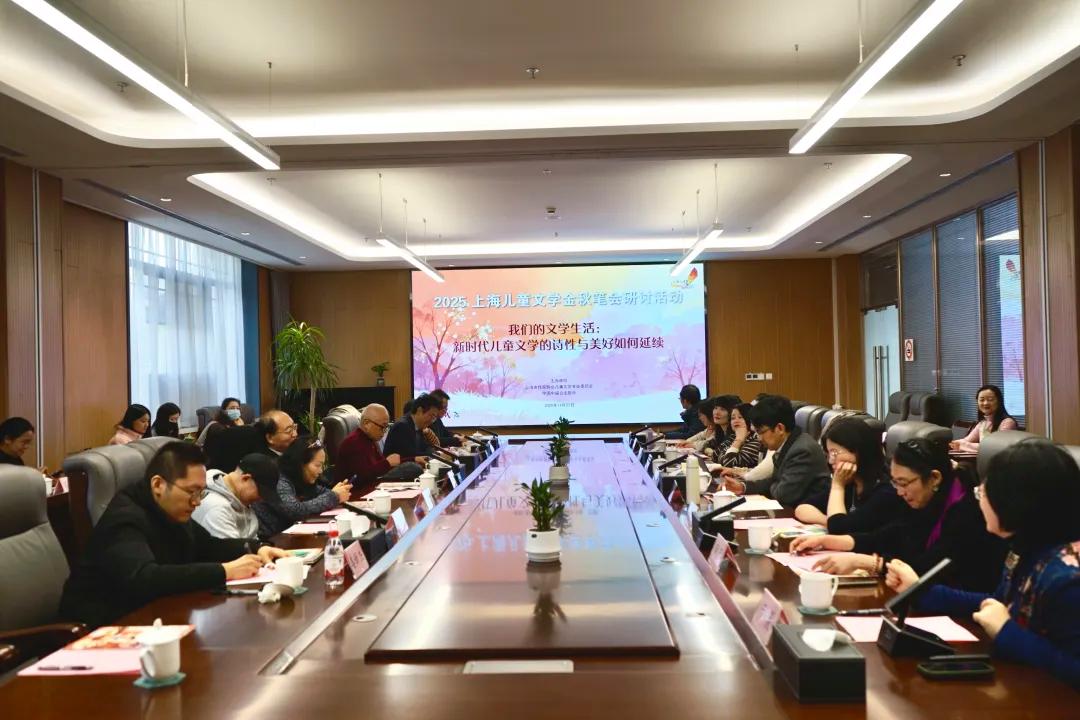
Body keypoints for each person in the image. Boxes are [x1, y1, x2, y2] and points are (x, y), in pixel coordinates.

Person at [886, 439, 1080, 688]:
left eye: (984, 493)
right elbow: (995, 604)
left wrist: (1007, 632)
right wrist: (920, 591)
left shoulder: (1068, 579)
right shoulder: (1027, 548)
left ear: (1016, 503)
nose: (979, 500)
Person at [59, 442, 287, 627]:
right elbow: (145, 578)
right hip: (102, 628)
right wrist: (224, 571)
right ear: (158, 484)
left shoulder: (168, 509)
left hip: (153, 616)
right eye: (191, 492)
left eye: (200, 492)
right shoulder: (125, 519)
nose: (197, 502)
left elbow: (207, 546)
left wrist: (257, 547)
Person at [790, 437, 1007, 591]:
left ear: (935, 478)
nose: (899, 492)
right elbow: (891, 534)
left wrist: (866, 562)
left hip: (961, 610)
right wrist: (829, 541)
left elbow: (925, 568)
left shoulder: (966, 510)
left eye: (904, 483)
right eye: (895, 482)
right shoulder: (925, 499)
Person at [794, 416, 905, 534]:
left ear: (858, 451)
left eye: (835, 453)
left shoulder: (886, 491)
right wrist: (829, 522)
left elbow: (839, 529)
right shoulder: (850, 484)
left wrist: (837, 487)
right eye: (829, 454)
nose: (830, 461)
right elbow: (802, 508)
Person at [722, 395, 829, 507]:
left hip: (806, 514)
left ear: (780, 428)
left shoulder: (802, 451)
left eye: (761, 432)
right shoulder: (789, 443)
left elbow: (783, 494)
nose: (759, 438)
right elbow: (773, 481)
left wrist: (775, 483)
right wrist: (743, 487)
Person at [252, 437, 351, 539]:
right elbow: (295, 511)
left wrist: (339, 491)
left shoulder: (298, 477)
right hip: (269, 540)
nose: (321, 471)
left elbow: (319, 491)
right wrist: (334, 496)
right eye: (317, 465)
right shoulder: (277, 478)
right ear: (300, 463)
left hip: (289, 535)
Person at [334, 404, 423, 495]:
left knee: (413, 466)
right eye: (382, 427)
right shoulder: (354, 443)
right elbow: (361, 477)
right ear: (366, 423)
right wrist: (387, 463)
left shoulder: (369, 439)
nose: (384, 432)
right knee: (413, 468)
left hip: (373, 485)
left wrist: (413, 459)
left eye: (386, 427)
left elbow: (381, 463)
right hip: (356, 493)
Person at [192, 453, 278, 539]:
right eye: (261, 492)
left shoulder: (239, 498)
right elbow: (230, 547)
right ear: (245, 478)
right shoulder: (216, 508)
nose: (261, 499)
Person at [951, 384, 1019, 454]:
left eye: (990, 399)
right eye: (982, 400)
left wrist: (962, 445)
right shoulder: (982, 423)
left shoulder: (1008, 423)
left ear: (999, 401)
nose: (985, 403)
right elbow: (967, 440)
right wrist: (952, 444)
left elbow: (993, 447)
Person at [383, 393, 440, 463]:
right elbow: (409, 455)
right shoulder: (402, 426)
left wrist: (435, 453)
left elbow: (425, 447)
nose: (432, 421)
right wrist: (435, 455)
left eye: (434, 418)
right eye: (431, 416)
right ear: (419, 410)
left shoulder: (418, 426)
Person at [712, 403, 763, 469]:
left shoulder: (756, 440)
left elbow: (728, 463)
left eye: (740, 417)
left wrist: (738, 440)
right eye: (733, 418)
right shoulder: (734, 437)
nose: (736, 421)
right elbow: (716, 455)